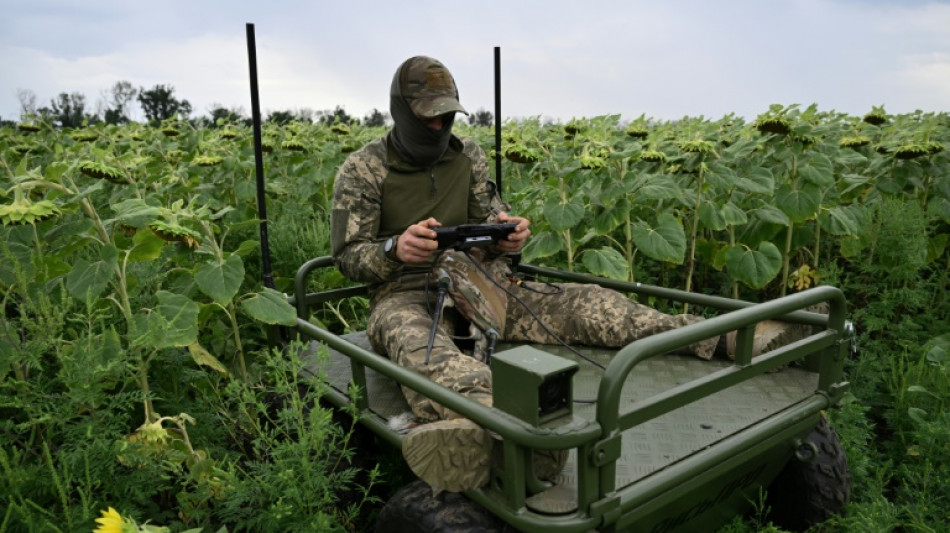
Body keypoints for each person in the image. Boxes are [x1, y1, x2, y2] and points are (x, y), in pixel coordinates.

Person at [330, 56, 801, 494]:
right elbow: (349, 256)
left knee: (592, 304)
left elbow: (493, 215)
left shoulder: (466, 155)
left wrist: (507, 236)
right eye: (426, 117)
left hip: (481, 281)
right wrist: (396, 249)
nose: (437, 125)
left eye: (445, 116)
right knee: (418, 348)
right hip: (404, 291)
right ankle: (504, 429)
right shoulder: (365, 169)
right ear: (401, 112)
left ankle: (728, 339)